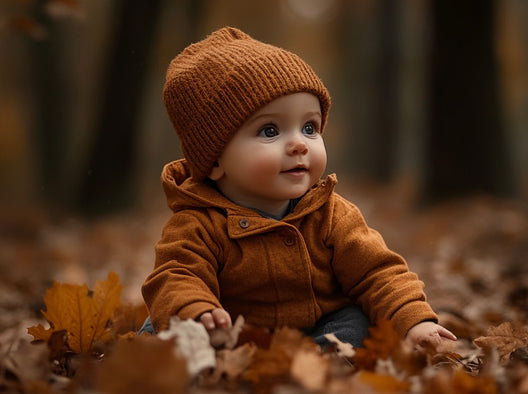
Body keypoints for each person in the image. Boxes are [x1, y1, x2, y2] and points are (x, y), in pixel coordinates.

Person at [140, 26, 456, 349]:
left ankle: (318, 360)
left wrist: (414, 320)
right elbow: (177, 274)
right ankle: (204, 353)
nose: (298, 145)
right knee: (160, 320)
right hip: (233, 333)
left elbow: (378, 272)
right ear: (215, 160)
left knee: (356, 320)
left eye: (309, 127)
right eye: (269, 130)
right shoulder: (197, 224)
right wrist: (197, 311)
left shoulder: (330, 214)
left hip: (316, 328)